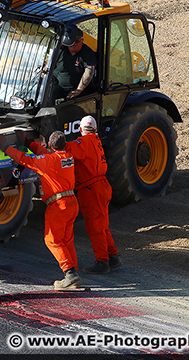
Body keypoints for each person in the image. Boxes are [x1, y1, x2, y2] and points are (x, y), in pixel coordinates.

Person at [0, 130, 82, 290]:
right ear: (64, 145)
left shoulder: (48, 161)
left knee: (52, 240)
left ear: (50, 145)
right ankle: (74, 275)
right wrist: (29, 143)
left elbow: (24, 159)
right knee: (66, 240)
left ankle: (69, 273)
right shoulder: (67, 157)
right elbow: (45, 154)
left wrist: (5, 148)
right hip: (72, 202)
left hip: (58, 205)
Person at [64, 116, 121, 274]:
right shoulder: (96, 141)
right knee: (103, 225)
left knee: (95, 227)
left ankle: (103, 262)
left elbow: (65, 148)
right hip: (102, 186)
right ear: (95, 129)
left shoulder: (83, 142)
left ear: (81, 130)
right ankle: (113, 256)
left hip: (91, 190)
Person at [52, 25, 96, 101]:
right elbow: (50, 65)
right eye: (71, 42)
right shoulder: (61, 50)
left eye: (77, 41)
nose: (74, 44)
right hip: (59, 86)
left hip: (78, 89)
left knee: (73, 102)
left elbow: (89, 71)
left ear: (82, 40)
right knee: (48, 97)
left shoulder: (88, 52)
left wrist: (78, 91)